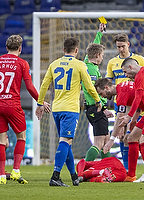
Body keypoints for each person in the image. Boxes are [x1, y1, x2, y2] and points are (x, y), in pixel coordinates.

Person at [35, 37, 102, 187]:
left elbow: (44, 85)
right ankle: (55, 175)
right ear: (77, 50)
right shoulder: (80, 65)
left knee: (66, 142)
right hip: (70, 109)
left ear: (63, 50)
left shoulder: (54, 64)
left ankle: (73, 176)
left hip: (56, 108)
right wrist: (98, 100)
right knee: (65, 141)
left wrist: (39, 103)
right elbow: (89, 86)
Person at [0, 35, 50, 185]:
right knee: (21, 137)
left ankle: (2, 176)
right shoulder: (22, 63)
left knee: (1, 141)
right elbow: (29, 87)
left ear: (6, 47)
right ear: (20, 48)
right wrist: (40, 102)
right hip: (12, 105)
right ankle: (16, 170)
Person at [94, 78, 144, 182]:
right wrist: (133, 120)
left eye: (101, 93)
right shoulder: (124, 86)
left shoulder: (121, 94)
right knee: (131, 139)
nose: (102, 96)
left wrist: (112, 140)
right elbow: (137, 104)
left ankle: (133, 175)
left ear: (106, 88)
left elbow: (119, 117)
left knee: (134, 139)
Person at [106, 33, 144, 170]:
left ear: (128, 44)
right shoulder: (112, 62)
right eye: (118, 47)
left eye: (123, 46)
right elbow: (108, 84)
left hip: (138, 102)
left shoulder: (139, 59)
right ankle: (126, 169)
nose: (120, 49)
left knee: (142, 137)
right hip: (121, 103)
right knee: (122, 136)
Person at [83, 23, 114, 161]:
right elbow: (93, 90)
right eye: (101, 55)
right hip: (96, 107)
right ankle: (83, 169)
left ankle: (106, 168)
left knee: (106, 140)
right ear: (97, 55)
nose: (102, 58)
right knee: (100, 142)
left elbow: (94, 47)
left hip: (92, 107)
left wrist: (99, 33)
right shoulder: (92, 71)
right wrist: (104, 107)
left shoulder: (87, 62)